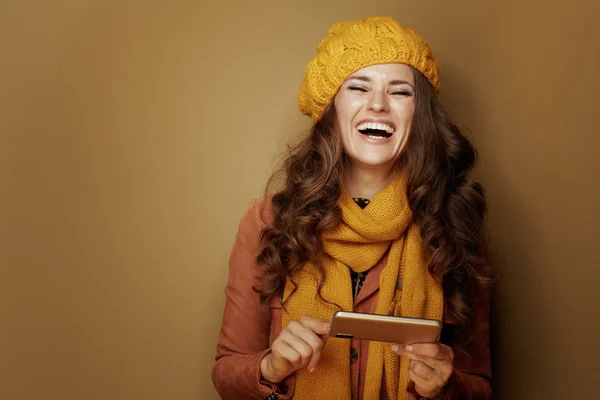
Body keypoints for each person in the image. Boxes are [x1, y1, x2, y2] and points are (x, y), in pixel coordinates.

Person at [212, 16, 493, 400]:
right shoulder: (268, 222)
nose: (378, 104)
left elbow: (480, 384)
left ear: (420, 114)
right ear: (331, 108)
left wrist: (446, 386)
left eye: (400, 92)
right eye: (359, 87)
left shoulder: (455, 222)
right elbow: (226, 372)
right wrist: (271, 366)